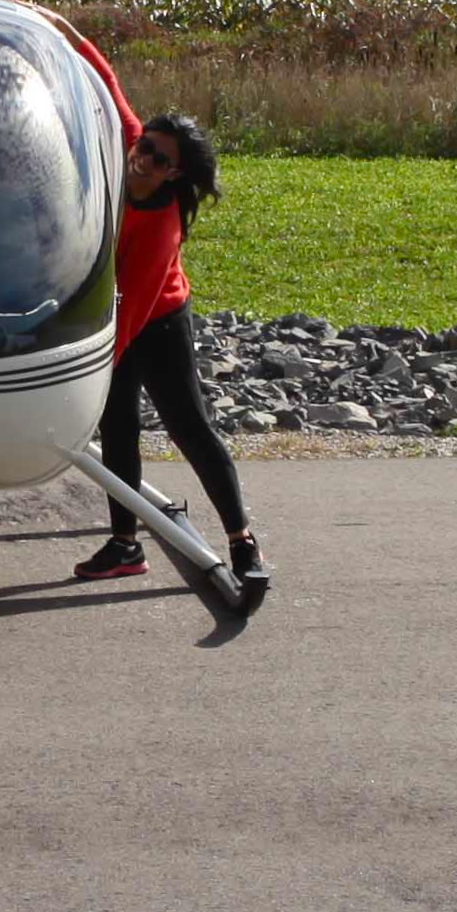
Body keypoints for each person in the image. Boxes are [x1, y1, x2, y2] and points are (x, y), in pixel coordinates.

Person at [75, 108, 267, 598]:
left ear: (175, 173)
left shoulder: (162, 225)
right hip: (113, 311)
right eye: (144, 147)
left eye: (159, 159)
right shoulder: (129, 151)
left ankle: (242, 541)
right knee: (118, 429)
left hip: (157, 320)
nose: (143, 159)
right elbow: (114, 94)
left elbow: (135, 305)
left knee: (189, 427)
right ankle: (124, 546)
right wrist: (81, 52)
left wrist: (99, 367)